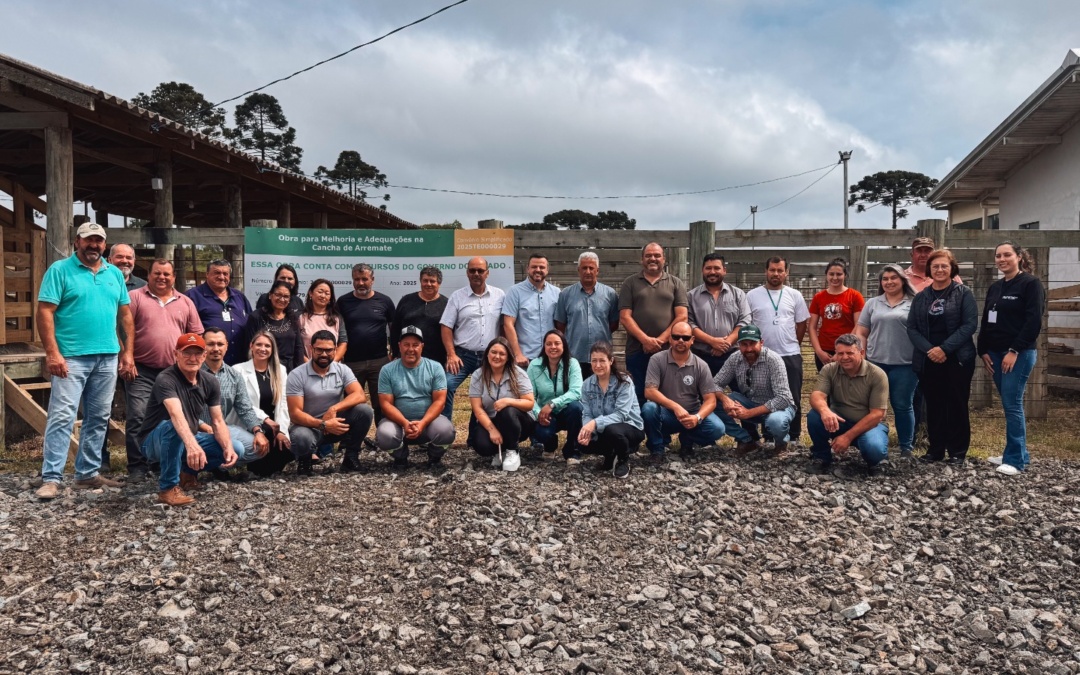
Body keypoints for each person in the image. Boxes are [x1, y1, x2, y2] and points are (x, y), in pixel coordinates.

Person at [35, 222, 134, 500]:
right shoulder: (59, 270)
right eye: (89, 240)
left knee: (99, 416)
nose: (94, 245)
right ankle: (51, 477)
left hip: (107, 356)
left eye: (99, 241)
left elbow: (125, 315)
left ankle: (87, 473)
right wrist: (52, 352)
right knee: (62, 416)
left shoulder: (113, 273)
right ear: (77, 241)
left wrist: (127, 351)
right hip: (71, 356)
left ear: (105, 245)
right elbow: (45, 312)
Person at [136, 333, 241, 506]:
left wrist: (227, 447)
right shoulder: (166, 378)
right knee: (173, 426)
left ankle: (186, 472)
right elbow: (175, 414)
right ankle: (168, 489)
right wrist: (192, 446)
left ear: (204, 356)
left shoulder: (210, 381)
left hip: (186, 436)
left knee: (236, 447)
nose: (193, 358)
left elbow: (218, 421)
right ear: (176, 354)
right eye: (186, 353)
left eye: (198, 353)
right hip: (153, 441)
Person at [123, 259, 204, 482]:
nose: (162, 277)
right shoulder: (135, 297)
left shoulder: (185, 302)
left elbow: (196, 335)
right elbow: (121, 329)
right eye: (157, 273)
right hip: (142, 370)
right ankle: (137, 466)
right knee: (139, 416)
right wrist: (126, 357)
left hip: (174, 373)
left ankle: (162, 463)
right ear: (148, 275)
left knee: (173, 418)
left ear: (173, 277)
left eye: (166, 274)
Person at [978, 241, 1045, 476]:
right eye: (998, 256)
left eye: (1007, 255)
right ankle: (1015, 452)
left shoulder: (1030, 284)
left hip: (1018, 354)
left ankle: (1015, 460)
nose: (1002, 259)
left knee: (1012, 404)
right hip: (994, 354)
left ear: (1019, 257)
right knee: (1008, 404)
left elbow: (1033, 321)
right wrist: (982, 349)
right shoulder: (995, 287)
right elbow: (987, 320)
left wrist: (1014, 351)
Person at [907, 248, 978, 466]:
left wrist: (944, 349)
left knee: (956, 403)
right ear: (929, 269)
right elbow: (912, 328)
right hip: (929, 359)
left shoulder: (963, 293)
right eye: (935, 266)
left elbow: (969, 325)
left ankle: (957, 451)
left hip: (957, 358)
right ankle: (935, 449)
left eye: (944, 266)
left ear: (951, 269)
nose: (939, 270)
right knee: (934, 404)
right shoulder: (921, 297)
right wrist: (930, 350)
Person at [286, 330, 375, 476]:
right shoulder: (297, 375)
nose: (324, 354)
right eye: (319, 350)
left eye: (328, 350)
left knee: (364, 411)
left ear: (335, 350)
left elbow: (359, 395)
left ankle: (350, 458)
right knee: (301, 437)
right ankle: (305, 460)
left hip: (335, 425)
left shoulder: (342, 369)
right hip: (309, 428)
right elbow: (295, 414)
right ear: (311, 349)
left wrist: (334, 408)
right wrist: (323, 424)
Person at [855, 264, 918, 458]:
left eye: (893, 278)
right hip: (876, 363)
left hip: (905, 364)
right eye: (885, 279)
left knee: (902, 404)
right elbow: (862, 331)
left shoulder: (914, 303)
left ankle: (906, 446)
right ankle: (870, 442)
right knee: (872, 405)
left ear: (902, 280)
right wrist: (861, 354)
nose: (889, 282)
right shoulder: (873, 303)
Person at [805, 334, 891, 476]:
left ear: (862, 353)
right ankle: (821, 457)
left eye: (850, 353)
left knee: (874, 448)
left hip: (868, 425)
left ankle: (877, 463)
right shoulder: (829, 369)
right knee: (815, 416)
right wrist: (825, 411)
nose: (844, 357)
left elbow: (877, 414)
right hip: (839, 422)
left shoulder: (877, 374)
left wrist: (848, 437)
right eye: (840, 353)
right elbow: (816, 396)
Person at [641, 321, 725, 461]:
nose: (680, 340)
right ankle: (657, 449)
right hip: (666, 413)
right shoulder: (656, 360)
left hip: (692, 413)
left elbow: (711, 400)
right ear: (670, 339)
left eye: (685, 338)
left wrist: (697, 418)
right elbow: (649, 391)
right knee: (648, 409)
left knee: (717, 428)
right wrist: (675, 407)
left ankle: (687, 441)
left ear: (692, 340)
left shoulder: (701, 365)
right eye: (676, 337)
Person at [746, 256, 810, 441]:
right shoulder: (752, 295)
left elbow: (801, 324)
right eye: (772, 270)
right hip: (763, 355)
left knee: (792, 396)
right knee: (767, 395)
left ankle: (794, 435)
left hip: (789, 354)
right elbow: (748, 324)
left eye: (780, 270)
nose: (776, 274)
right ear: (766, 271)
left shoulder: (794, 295)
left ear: (786, 272)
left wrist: (793, 343)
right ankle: (769, 436)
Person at [195, 327, 271, 482]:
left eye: (220, 344)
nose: (216, 349)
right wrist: (205, 427)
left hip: (221, 428)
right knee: (236, 447)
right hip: (194, 430)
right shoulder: (192, 373)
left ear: (226, 346)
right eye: (210, 344)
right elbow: (184, 411)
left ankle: (217, 465)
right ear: (203, 346)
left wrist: (258, 431)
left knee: (257, 448)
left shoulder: (234, 376)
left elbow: (245, 408)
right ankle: (192, 468)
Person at [375, 326, 456, 469]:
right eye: (406, 344)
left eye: (415, 345)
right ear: (399, 346)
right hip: (398, 423)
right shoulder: (387, 370)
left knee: (446, 432)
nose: (410, 349)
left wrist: (423, 423)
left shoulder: (435, 367)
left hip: (428, 422)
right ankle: (400, 457)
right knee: (384, 435)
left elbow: (440, 401)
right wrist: (405, 423)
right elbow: (386, 404)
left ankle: (434, 457)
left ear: (422, 347)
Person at [620, 242, 689, 405]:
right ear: (641, 260)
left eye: (657, 255)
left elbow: (682, 316)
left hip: (667, 351)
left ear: (664, 259)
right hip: (637, 350)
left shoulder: (675, 283)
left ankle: (661, 430)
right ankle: (638, 429)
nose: (653, 258)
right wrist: (645, 340)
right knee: (638, 395)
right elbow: (625, 317)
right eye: (648, 255)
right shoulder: (629, 283)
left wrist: (659, 341)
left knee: (666, 395)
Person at [712, 325, 796, 457]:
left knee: (776, 422)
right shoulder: (735, 358)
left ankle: (781, 443)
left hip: (779, 408)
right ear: (738, 344)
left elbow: (783, 398)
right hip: (750, 403)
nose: (749, 349)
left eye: (753, 343)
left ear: (761, 342)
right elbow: (715, 384)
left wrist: (748, 413)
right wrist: (725, 399)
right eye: (744, 344)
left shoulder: (773, 360)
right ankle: (746, 440)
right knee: (713, 402)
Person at [440, 257, 506, 421]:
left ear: (487, 273)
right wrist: (451, 354)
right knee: (446, 386)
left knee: (488, 394)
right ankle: (444, 430)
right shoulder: (457, 296)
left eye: (480, 271)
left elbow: (505, 325)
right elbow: (446, 326)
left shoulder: (499, 295)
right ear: (467, 273)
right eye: (472, 270)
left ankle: (477, 436)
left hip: (489, 357)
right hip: (462, 356)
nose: (476, 274)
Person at [100, 241, 146, 470]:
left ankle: (138, 461)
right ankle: (100, 461)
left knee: (138, 413)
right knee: (100, 410)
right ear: (110, 259)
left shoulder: (144, 287)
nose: (125, 261)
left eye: (129, 258)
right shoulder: (100, 280)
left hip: (134, 360)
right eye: (120, 257)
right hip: (104, 355)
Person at [337, 263, 395, 422]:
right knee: (350, 402)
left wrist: (394, 353)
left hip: (380, 362)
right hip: (351, 363)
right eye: (357, 279)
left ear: (372, 280)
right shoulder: (343, 302)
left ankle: (383, 437)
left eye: (364, 279)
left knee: (382, 403)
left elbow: (393, 328)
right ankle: (348, 441)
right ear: (352, 280)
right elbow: (336, 330)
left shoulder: (385, 301)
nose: (361, 283)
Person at [577, 341, 643, 479]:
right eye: (594, 361)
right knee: (582, 442)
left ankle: (623, 459)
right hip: (604, 429)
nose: (598, 365)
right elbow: (587, 413)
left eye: (602, 360)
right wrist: (587, 430)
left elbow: (621, 415)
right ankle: (610, 454)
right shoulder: (587, 384)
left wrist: (594, 423)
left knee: (612, 430)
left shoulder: (624, 382)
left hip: (630, 427)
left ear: (611, 360)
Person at [469, 338, 535, 471]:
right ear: (487, 354)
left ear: (508, 357)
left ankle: (512, 450)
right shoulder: (478, 375)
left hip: (518, 422)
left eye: (502, 354)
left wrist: (508, 401)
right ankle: (501, 450)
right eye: (493, 352)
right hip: (492, 420)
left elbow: (530, 403)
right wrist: (492, 430)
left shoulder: (518, 373)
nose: (497, 356)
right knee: (482, 445)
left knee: (507, 410)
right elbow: (477, 408)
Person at [234, 331, 293, 477]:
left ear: (272, 350)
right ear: (251, 346)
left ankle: (267, 469)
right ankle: (255, 469)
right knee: (264, 442)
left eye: (267, 345)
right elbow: (242, 403)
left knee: (289, 444)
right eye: (259, 344)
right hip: (251, 423)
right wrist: (265, 419)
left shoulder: (280, 370)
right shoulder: (238, 370)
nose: (263, 349)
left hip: (275, 423)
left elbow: (284, 403)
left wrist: (281, 431)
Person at [553, 252, 619, 380]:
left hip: (602, 356)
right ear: (578, 270)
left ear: (597, 271)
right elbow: (560, 324)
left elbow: (614, 323)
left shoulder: (610, 294)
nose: (588, 271)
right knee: (576, 394)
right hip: (575, 356)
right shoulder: (566, 294)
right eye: (584, 268)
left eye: (591, 268)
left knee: (603, 392)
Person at [687, 253, 752, 375]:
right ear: (702, 270)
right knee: (702, 393)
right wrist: (712, 342)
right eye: (708, 268)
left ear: (724, 270)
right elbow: (689, 324)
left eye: (716, 268)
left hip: (733, 355)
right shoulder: (691, 296)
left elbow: (745, 321)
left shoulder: (738, 294)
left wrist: (726, 344)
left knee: (740, 392)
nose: (712, 272)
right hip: (701, 356)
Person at [527, 329, 583, 463]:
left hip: (565, 411)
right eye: (549, 344)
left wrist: (552, 404)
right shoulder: (534, 366)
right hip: (545, 414)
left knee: (577, 408)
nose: (553, 347)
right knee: (542, 433)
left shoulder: (572, 363)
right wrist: (538, 412)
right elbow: (529, 395)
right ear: (544, 346)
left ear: (563, 346)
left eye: (557, 343)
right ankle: (550, 446)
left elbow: (576, 391)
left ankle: (572, 451)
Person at [186, 259, 253, 365]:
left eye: (225, 274)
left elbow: (251, 324)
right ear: (207, 274)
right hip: (206, 364)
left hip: (239, 364)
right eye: (217, 273)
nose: (221, 277)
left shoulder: (239, 297)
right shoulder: (192, 297)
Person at [503, 253, 560, 368]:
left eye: (542, 267)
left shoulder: (557, 293)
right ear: (527, 269)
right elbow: (508, 324)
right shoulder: (515, 292)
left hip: (550, 358)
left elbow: (560, 325)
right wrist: (517, 354)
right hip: (525, 359)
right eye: (534, 267)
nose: (538, 270)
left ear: (547, 270)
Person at [808, 258, 865, 370]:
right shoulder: (818, 297)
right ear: (826, 275)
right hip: (825, 350)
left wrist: (841, 351)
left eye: (839, 274)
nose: (835, 278)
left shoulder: (855, 296)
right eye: (831, 274)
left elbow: (858, 324)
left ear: (845, 275)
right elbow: (812, 327)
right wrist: (819, 351)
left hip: (847, 349)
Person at [391, 266, 449, 367]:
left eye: (432, 281)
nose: (428, 284)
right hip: (407, 358)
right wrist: (395, 353)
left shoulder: (447, 304)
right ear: (420, 281)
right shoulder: (406, 301)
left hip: (436, 360)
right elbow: (395, 329)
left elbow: (451, 333)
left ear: (439, 283)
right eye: (425, 281)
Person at [243, 280, 305, 371]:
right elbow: (248, 347)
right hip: (264, 368)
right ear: (270, 295)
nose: (282, 299)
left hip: (289, 370)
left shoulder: (292, 318)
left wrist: (299, 371)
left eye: (286, 296)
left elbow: (298, 347)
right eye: (278, 295)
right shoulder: (256, 317)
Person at [298, 279, 348, 362]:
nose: (323, 296)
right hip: (306, 367)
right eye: (320, 292)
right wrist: (309, 365)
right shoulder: (301, 318)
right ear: (311, 293)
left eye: (327, 293)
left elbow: (343, 343)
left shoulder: (337, 318)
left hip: (332, 368)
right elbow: (296, 346)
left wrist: (331, 364)